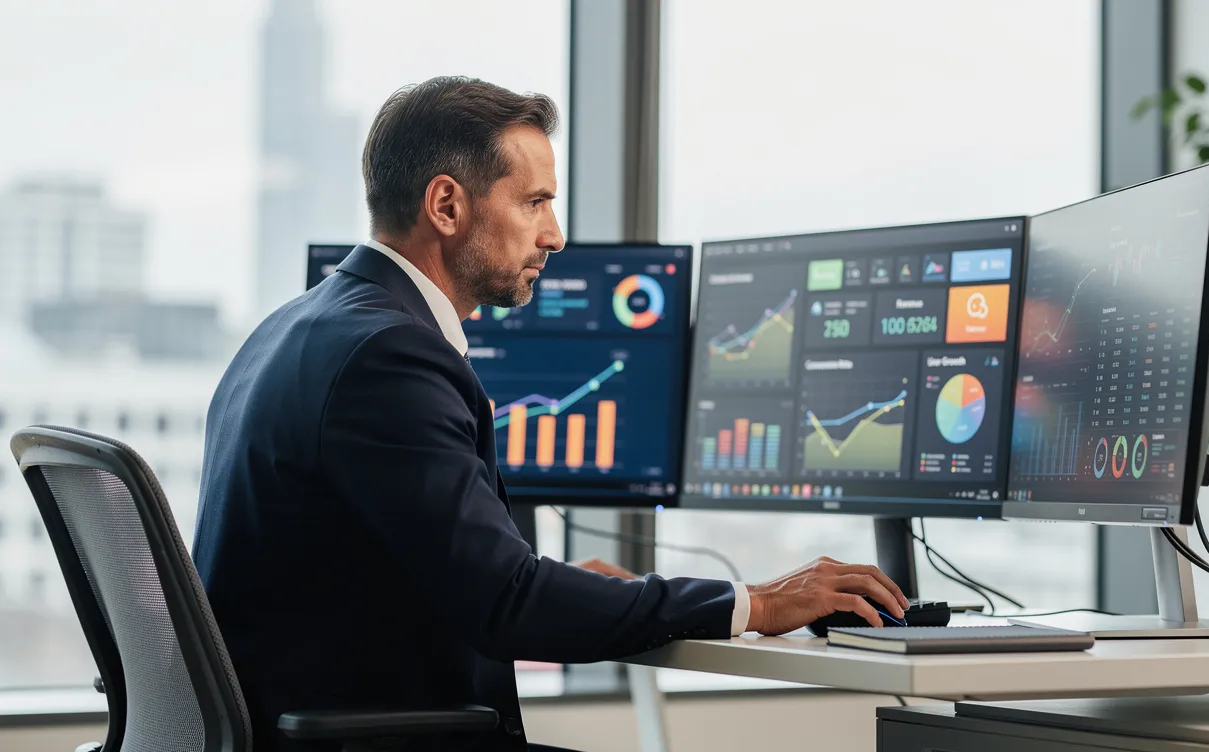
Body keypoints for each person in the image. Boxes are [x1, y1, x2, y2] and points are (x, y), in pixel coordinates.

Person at [192, 76, 907, 752]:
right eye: (533, 202)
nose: (555, 233)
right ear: (447, 206)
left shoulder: (294, 327)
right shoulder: (391, 357)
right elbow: (507, 605)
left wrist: (561, 583)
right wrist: (753, 602)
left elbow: (400, 572)